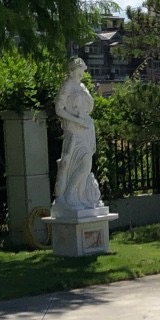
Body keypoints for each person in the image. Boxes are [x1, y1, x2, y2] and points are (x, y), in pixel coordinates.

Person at [52, 58, 102, 212]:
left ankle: (80, 197)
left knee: (87, 164)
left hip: (86, 128)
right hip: (74, 131)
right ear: (74, 70)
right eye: (81, 70)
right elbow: (59, 110)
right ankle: (69, 196)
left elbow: (89, 107)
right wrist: (77, 121)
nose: (83, 73)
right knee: (82, 163)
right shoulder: (67, 85)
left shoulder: (81, 86)